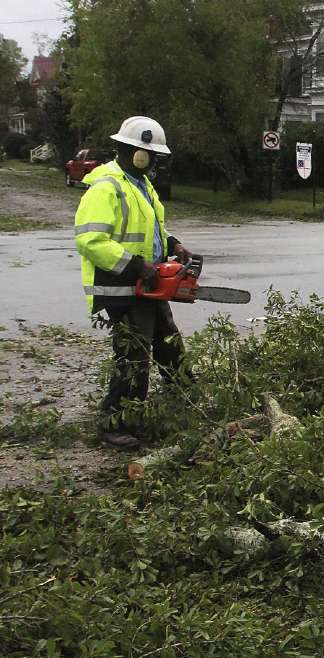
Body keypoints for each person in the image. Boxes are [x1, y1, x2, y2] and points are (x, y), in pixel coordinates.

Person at [74, 115, 193, 448]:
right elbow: (91, 240)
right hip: (122, 286)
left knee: (170, 346)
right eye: (149, 154)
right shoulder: (106, 186)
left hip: (147, 285)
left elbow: (151, 228)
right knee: (134, 359)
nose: (152, 160)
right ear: (135, 152)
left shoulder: (141, 184)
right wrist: (136, 266)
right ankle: (115, 423)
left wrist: (172, 243)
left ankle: (186, 404)